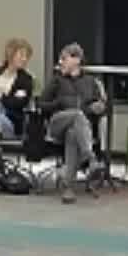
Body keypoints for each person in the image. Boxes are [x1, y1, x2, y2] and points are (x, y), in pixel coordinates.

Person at [39, 42, 107, 204]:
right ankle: (89, 158)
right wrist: (59, 102)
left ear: (77, 60)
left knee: (73, 134)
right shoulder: (56, 80)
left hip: (79, 128)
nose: (60, 62)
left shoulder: (91, 82)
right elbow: (41, 104)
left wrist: (97, 108)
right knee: (77, 115)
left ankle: (68, 188)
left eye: (64, 58)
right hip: (57, 123)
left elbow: (101, 107)